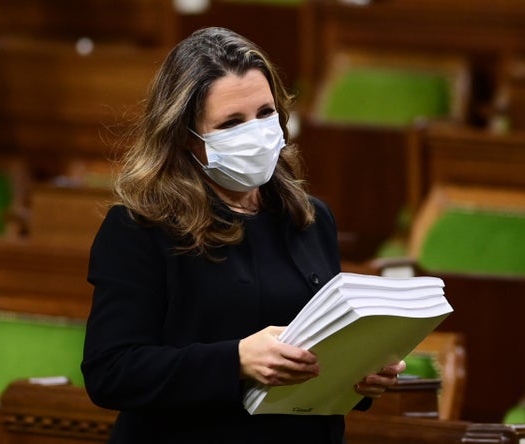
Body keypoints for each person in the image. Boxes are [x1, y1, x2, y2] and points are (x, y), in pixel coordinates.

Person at [81, 27, 405, 444]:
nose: (255, 131)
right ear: (185, 138)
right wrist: (234, 360)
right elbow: (111, 372)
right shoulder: (140, 227)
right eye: (232, 122)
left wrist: (361, 371)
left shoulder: (308, 217)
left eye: (266, 113)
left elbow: (318, 352)